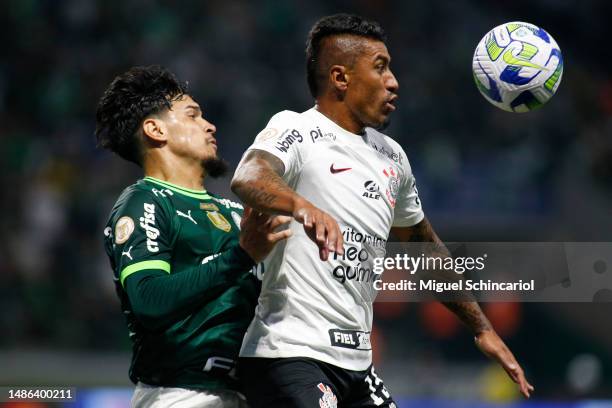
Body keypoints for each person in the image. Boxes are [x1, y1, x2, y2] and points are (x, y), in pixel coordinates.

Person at [231, 14, 534, 408]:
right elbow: (249, 176)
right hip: (289, 351)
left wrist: (481, 328)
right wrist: (302, 206)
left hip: (357, 365)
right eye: (380, 68)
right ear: (341, 78)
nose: (394, 81)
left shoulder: (392, 157)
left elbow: (424, 245)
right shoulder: (297, 128)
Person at [96, 65, 291, 408]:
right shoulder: (146, 201)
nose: (210, 125)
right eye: (193, 115)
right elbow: (149, 300)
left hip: (246, 394)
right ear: (155, 130)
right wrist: (241, 256)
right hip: (180, 394)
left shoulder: (235, 213)